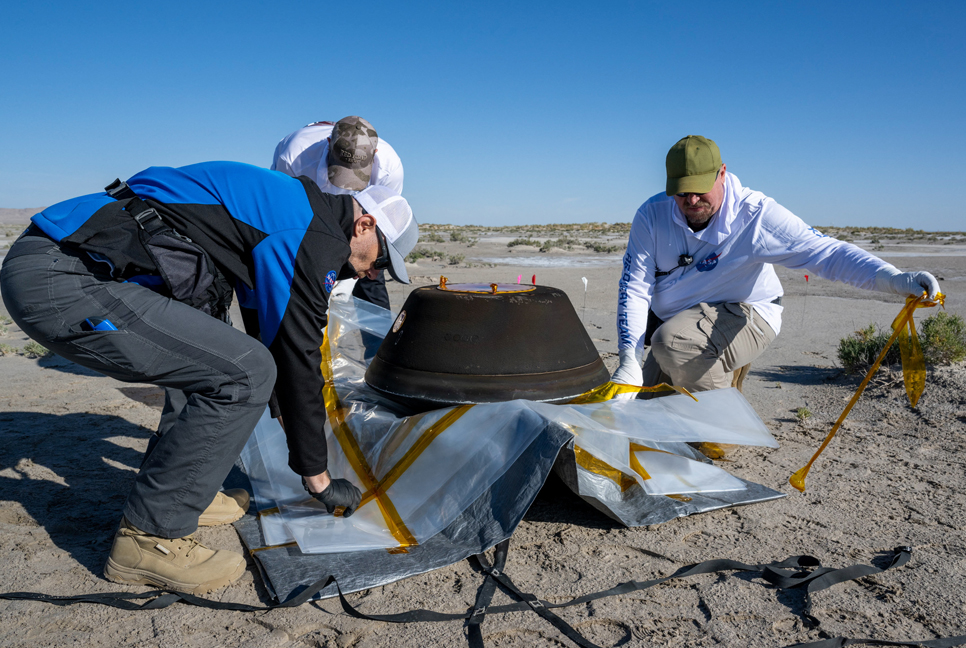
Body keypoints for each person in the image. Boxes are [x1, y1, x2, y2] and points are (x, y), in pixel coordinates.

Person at [0, 162, 418, 594]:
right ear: (363, 224)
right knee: (245, 372)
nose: (374, 274)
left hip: (64, 262)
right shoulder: (313, 235)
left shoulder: (295, 208)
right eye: (381, 260)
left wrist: (284, 415)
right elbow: (295, 356)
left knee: (216, 356)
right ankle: (150, 537)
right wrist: (317, 477)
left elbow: (269, 331)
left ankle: (181, 491)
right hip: (64, 278)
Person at [611, 135, 940, 394]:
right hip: (681, 321)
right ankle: (710, 377)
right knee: (644, 402)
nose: (691, 201)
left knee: (672, 346)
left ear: (722, 173)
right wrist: (629, 358)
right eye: (681, 192)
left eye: (699, 190)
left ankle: (726, 430)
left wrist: (894, 279)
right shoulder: (651, 215)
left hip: (747, 312)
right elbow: (635, 287)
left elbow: (828, 253)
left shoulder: (756, 216)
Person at [272, 116, 404, 310]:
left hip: (358, 223)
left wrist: (361, 270)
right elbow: (284, 214)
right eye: (341, 168)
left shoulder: (390, 168)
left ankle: (378, 340)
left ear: (374, 154)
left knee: (371, 278)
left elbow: (384, 227)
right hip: (306, 214)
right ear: (328, 144)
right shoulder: (294, 156)